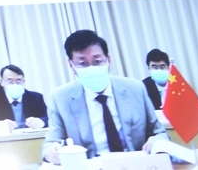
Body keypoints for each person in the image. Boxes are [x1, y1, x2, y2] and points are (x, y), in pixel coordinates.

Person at [42, 30, 167, 163]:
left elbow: (160, 133)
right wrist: (51, 151)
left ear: (108, 60)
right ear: (71, 65)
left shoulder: (135, 89)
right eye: (82, 63)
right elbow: (51, 143)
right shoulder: (60, 98)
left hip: (134, 164)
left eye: (97, 61)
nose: (91, 68)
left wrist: (157, 141)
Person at [0, 64, 48, 129]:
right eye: (10, 82)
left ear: (23, 82)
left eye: (18, 81)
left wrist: (39, 122)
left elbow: (49, 117)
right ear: (2, 82)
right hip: (7, 139)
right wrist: (1, 126)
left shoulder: (35, 97)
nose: (15, 85)